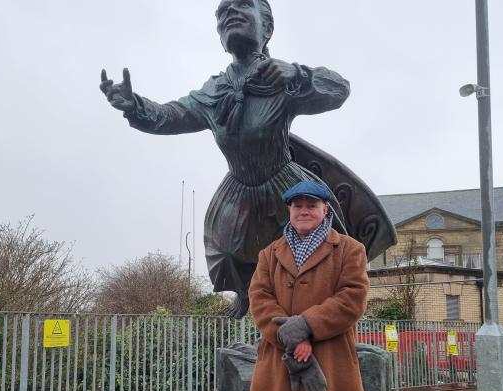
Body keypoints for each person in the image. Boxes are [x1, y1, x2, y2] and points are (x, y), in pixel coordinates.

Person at [100, 0, 350, 317]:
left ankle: (315, 321)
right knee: (228, 250)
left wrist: (298, 74)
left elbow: (338, 89)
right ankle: (248, 298)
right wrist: (133, 105)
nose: (229, 13)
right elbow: (170, 115)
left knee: (306, 254)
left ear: (267, 28)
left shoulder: (281, 79)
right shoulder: (215, 90)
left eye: (242, 6)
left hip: (284, 184)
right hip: (239, 187)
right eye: (222, 13)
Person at [247, 180, 370, 391]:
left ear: (324, 210)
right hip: (284, 362)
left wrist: (307, 325)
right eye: (297, 204)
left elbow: (352, 298)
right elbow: (259, 299)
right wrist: (292, 337)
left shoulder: (350, 249)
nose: (304, 210)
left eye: (311, 204)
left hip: (332, 365)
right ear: (289, 209)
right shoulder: (269, 254)